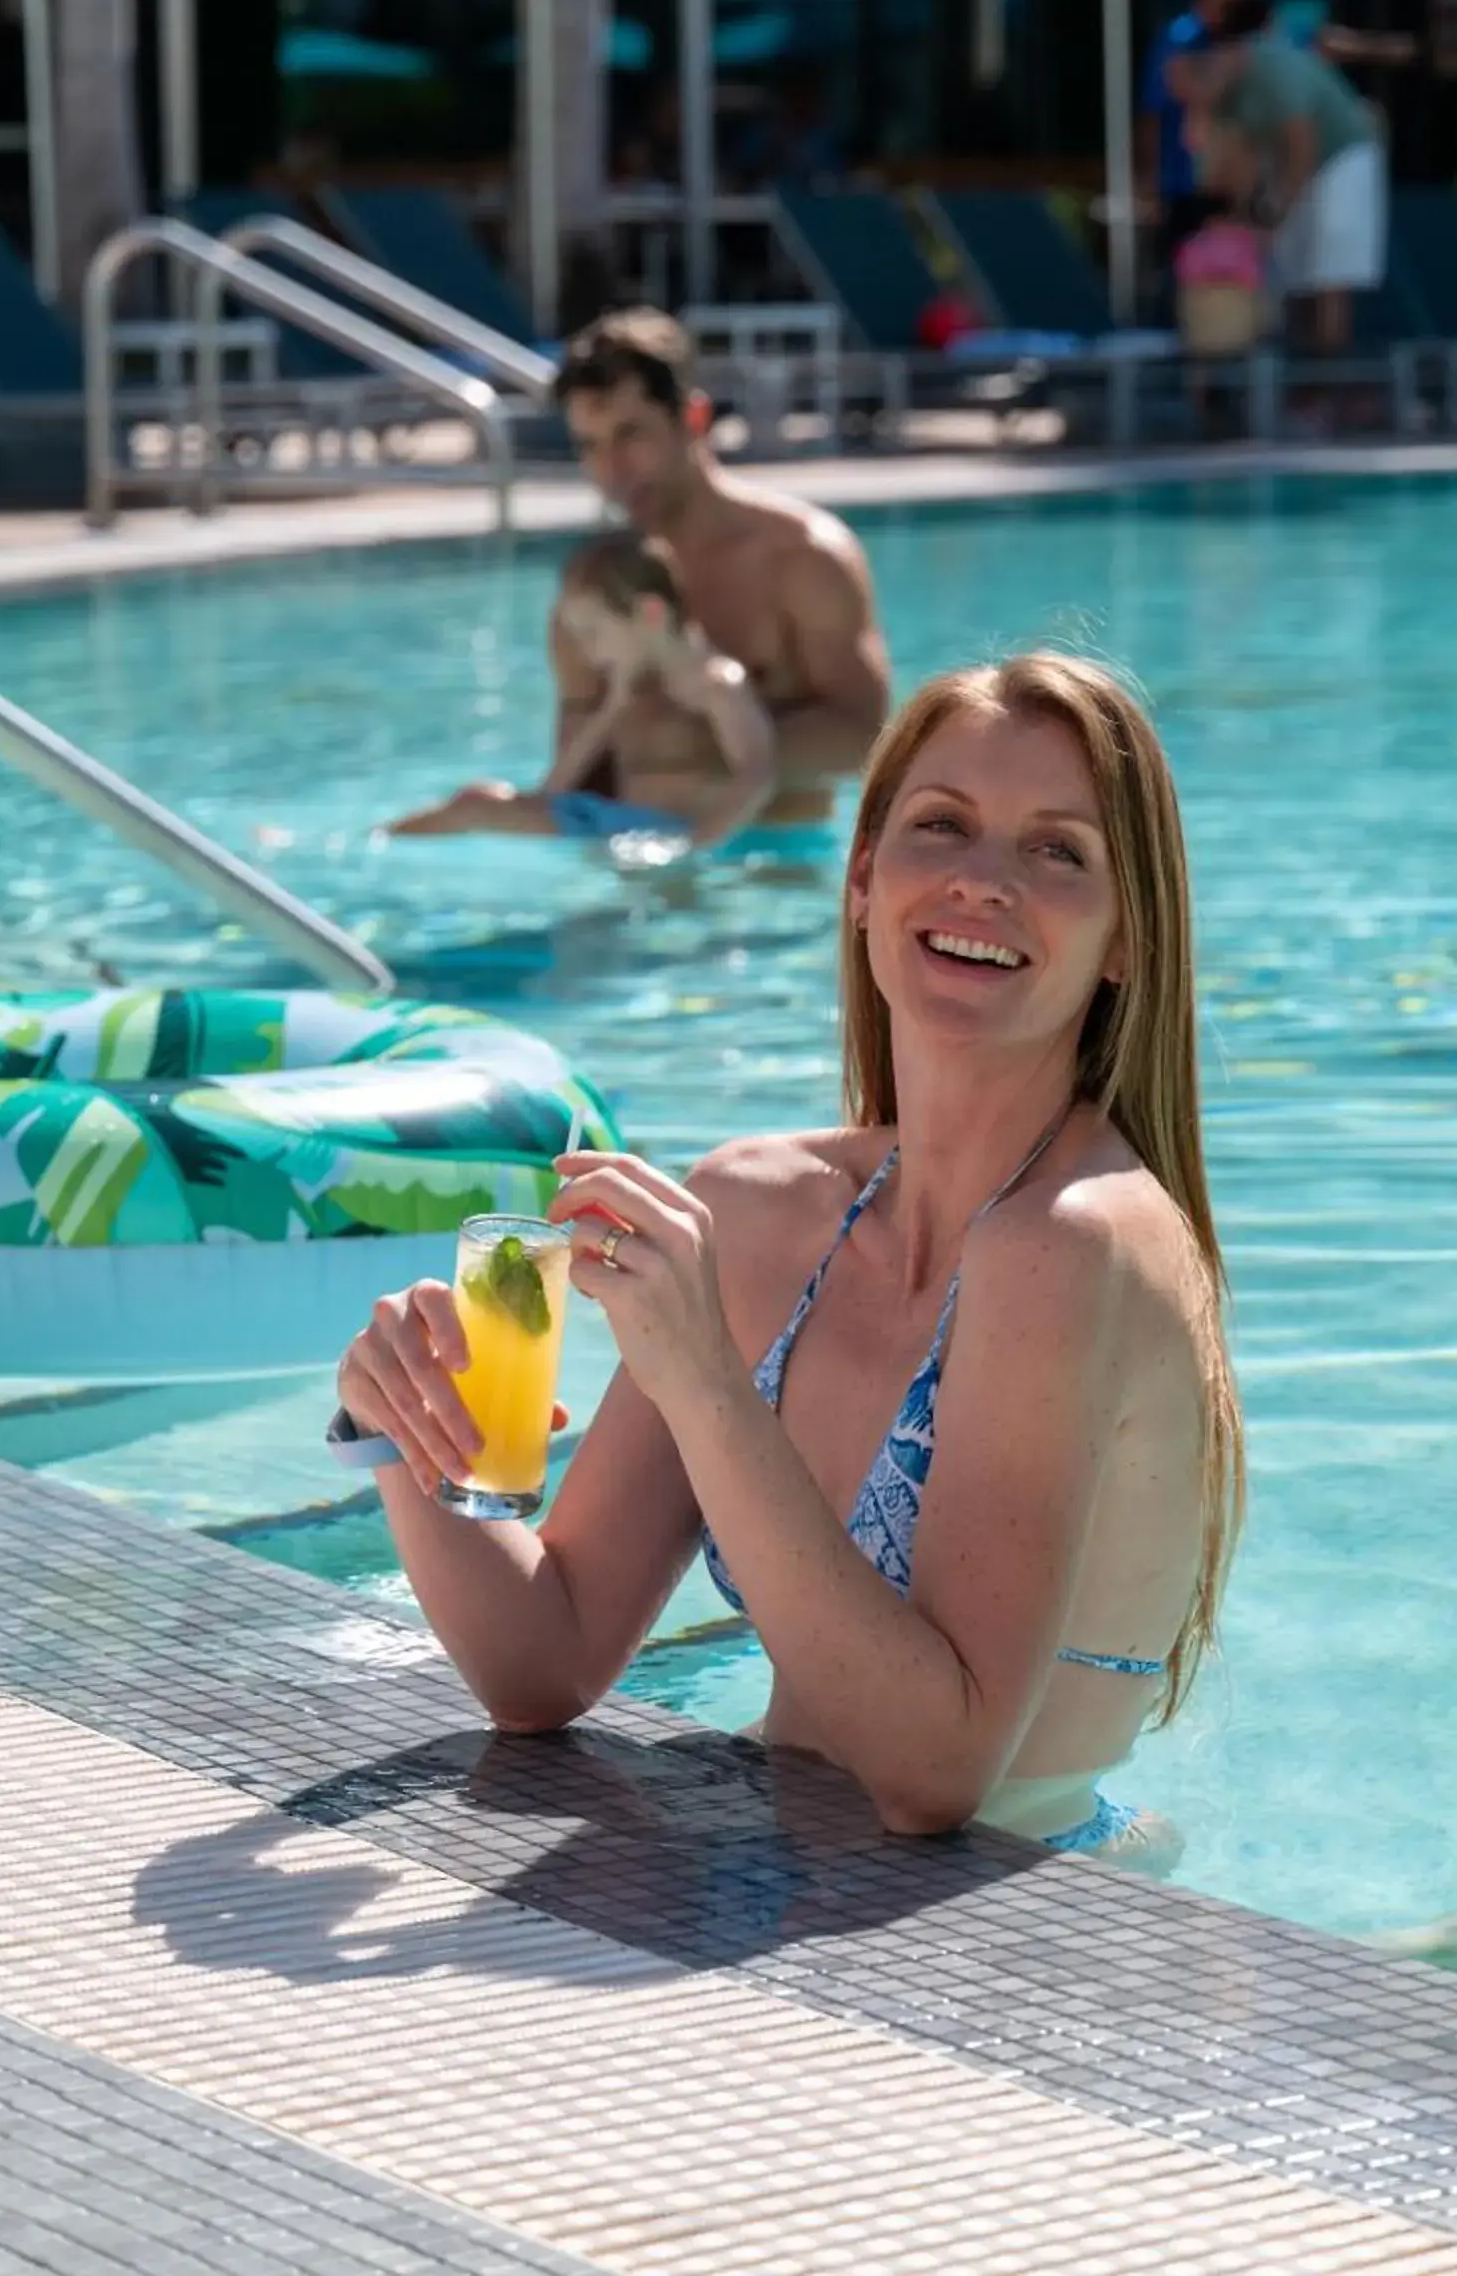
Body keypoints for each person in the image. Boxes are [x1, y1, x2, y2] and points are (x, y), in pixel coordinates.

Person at [336, 652, 1244, 1868]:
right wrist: (402, 1430)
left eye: (1056, 850)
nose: (983, 881)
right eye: (942, 826)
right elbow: (542, 1663)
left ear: (1125, 937)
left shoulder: (1075, 1244)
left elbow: (935, 1777)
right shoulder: (760, 1212)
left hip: (1039, 1903)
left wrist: (707, 1383)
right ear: (862, 880)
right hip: (782, 1874)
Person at [547, 310, 890, 849]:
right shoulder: (594, 587)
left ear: (694, 417)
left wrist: (702, 746)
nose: (611, 469)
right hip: (639, 866)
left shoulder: (802, 557)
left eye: (630, 434)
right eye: (589, 445)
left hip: (779, 864)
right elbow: (575, 771)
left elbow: (864, 736)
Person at [387, 528, 777, 854]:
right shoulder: (631, 681)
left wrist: (691, 845)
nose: (588, 653)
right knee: (475, 801)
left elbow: (758, 775)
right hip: (608, 824)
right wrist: (611, 709)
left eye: (594, 633)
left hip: (668, 835)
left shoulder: (715, 684)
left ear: (650, 613)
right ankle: (378, 843)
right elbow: (554, 792)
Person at [1176, 0, 1388, 358]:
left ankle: (1329, 375)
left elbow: (1303, 146)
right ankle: (1297, 373)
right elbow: (1236, 166)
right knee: (1290, 272)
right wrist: (1237, 225)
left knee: (1328, 272)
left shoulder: (1272, 68)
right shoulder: (1227, 96)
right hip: (1294, 166)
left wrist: (1276, 216)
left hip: (1342, 157)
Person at [1140, 0, 1245, 286]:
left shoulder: (1241, 41)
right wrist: (1149, 182)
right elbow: (1153, 113)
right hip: (1182, 179)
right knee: (1181, 271)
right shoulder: (1179, 39)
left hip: (1231, 180)